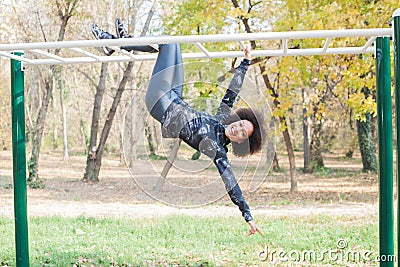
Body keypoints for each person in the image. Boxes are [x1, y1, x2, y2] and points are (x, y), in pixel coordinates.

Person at [91, 19, 265, 236]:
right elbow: (231, 93)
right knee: (174, 42)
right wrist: (246, 62)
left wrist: (247, 215)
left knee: (165, 42)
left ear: (240, 141)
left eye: (241, 133)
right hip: (176, 97)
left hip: (161, 104)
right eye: (240, 124)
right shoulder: (221, 120)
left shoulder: (217, 149)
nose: (237, 129)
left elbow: (231, 183)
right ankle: (121, 42)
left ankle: (114, 42)